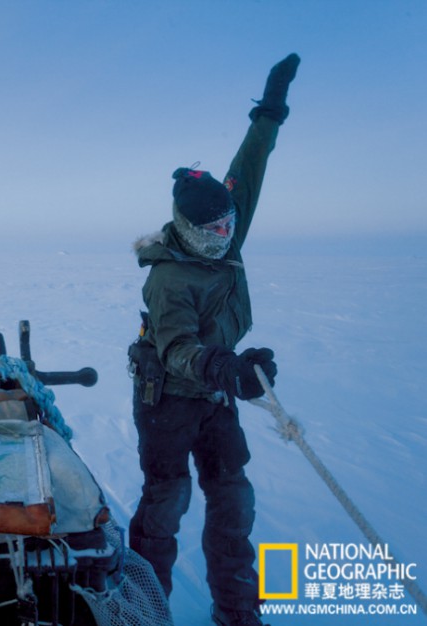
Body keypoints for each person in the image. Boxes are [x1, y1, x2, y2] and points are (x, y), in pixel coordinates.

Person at [127, 54, 300, 626]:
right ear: (185, 226)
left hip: (214, 397)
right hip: (170, 401)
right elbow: (177, 349)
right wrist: (227, 368)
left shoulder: (223, 231)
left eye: (231, 226)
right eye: (216, 230)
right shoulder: (169, 277)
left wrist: (268, 113)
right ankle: (145, 610)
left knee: (233, 505)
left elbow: (247, 171)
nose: (227, 237)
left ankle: (238, 613)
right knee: (166, 507)